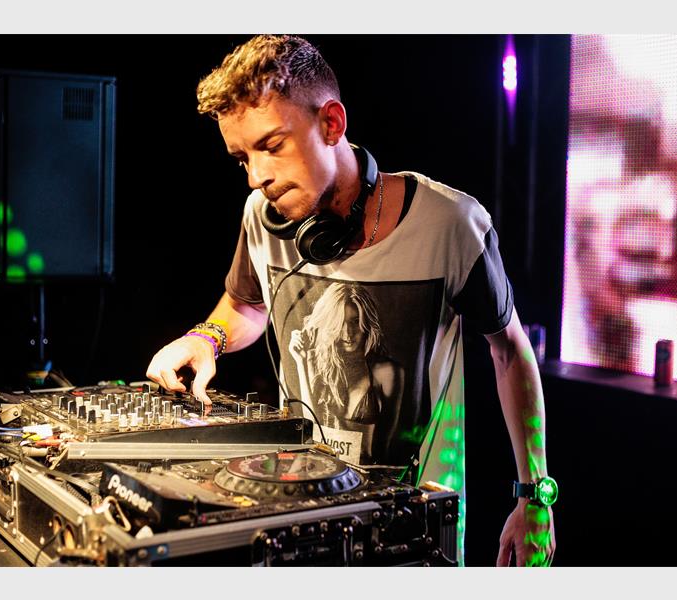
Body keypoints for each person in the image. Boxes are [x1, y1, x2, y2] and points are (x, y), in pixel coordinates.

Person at [146, 34, 555, 566]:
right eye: (242, 158)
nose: (257, 177)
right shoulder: (263, 218)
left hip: (415, 532)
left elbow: (510, 352)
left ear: (332, 124)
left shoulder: (450, 224)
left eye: (272, 145)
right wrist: (207, 337)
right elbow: (246, 306)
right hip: (299, 522)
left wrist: (534, 497)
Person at [288, 281, 404, 464]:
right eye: (340, 322)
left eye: (355, 322)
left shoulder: (387, 372)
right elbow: (311, 430)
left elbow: (385, 445)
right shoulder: (315, 361)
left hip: (364, 473)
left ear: (366, 323)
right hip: (320, 468)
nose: (347, 333)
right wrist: (301, 362)